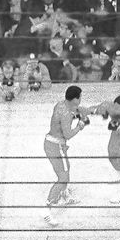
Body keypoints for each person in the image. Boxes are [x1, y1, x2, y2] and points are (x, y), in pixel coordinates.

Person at [43, 85, 92, 226]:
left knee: (66, 168)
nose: (81, 99)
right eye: (80, 97)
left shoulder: (60, 105)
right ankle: (47, 208)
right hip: (56, 146)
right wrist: (80, 125)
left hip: (51, 143)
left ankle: (64, 195)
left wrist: (81, 114)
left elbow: (73, 112)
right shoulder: (65, 114)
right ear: (76, 99)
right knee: (63, 177)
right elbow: (68, 134)